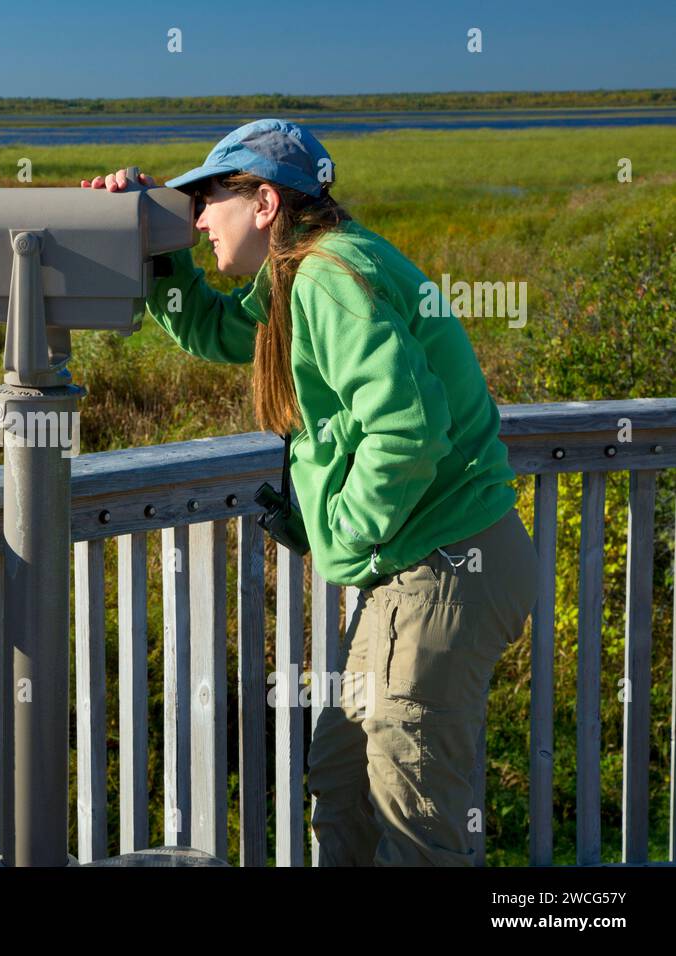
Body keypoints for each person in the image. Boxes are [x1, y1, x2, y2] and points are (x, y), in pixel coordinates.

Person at [81, 118, 540, 866]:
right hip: (427, 569)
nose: (197, 219)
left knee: (418, 826)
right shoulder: (298, 275)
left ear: (264, 203)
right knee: (344, 779)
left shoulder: (327, 276)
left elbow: (407, 429)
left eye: (207, 199)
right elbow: (218, 332)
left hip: (442, 568)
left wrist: (346, 534)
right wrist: (154, 252)